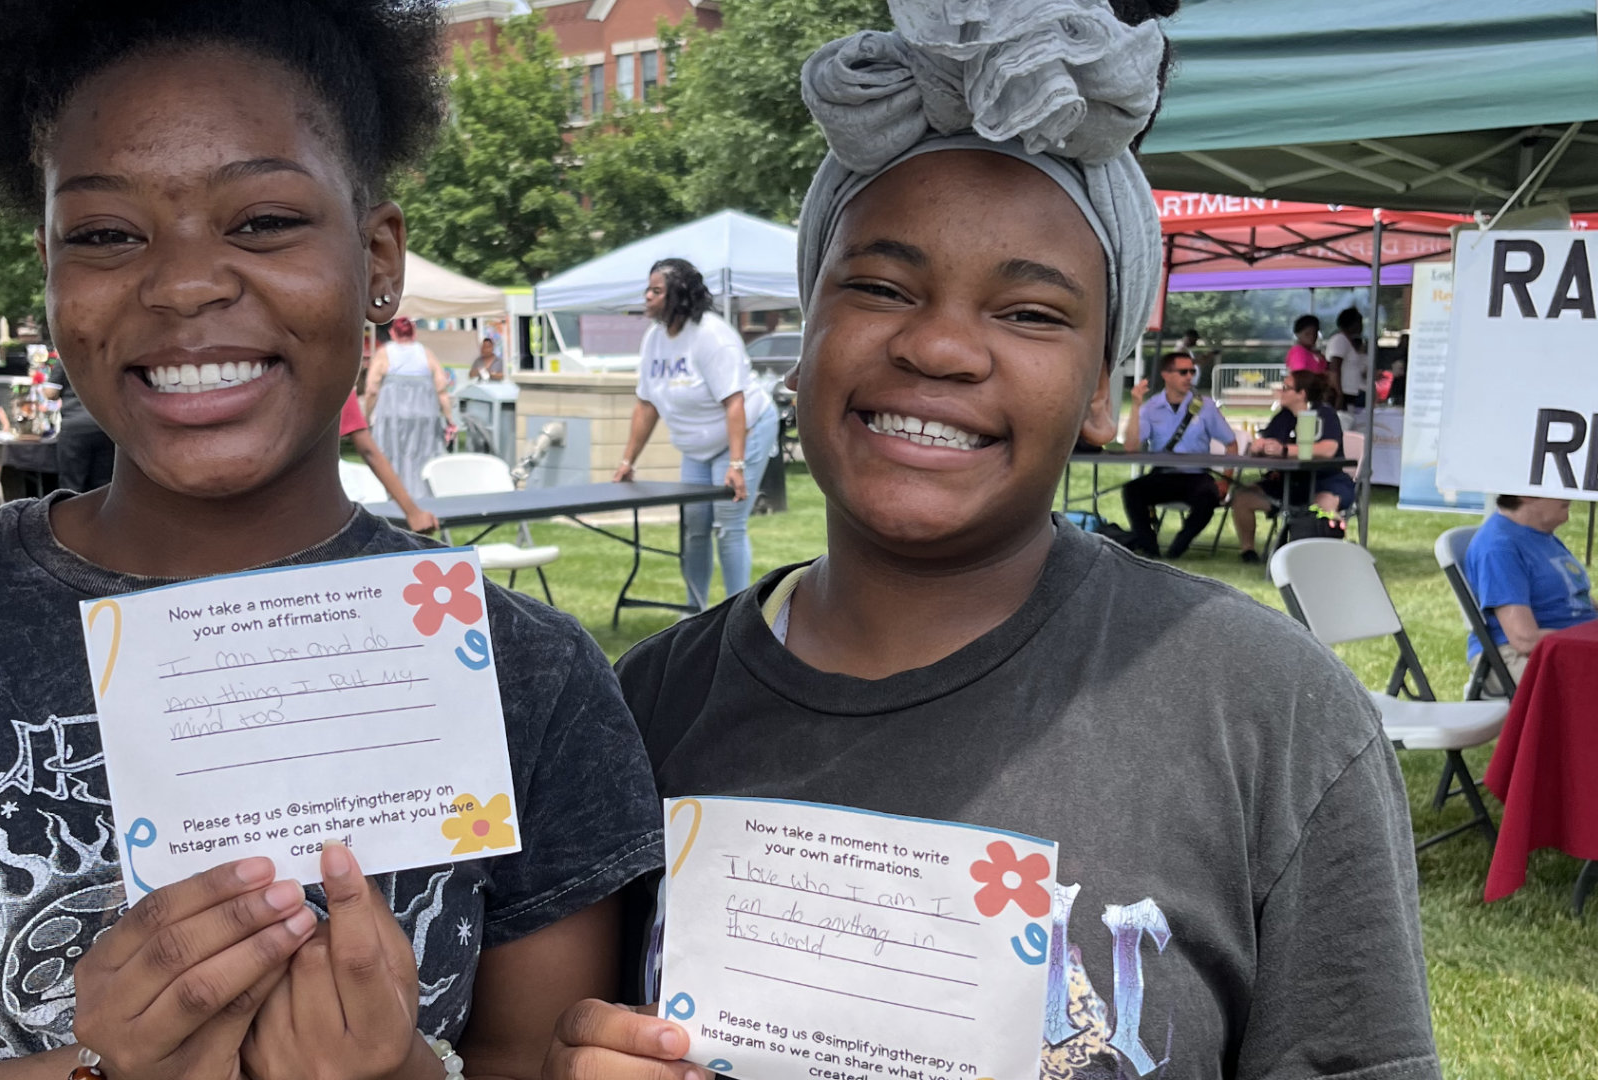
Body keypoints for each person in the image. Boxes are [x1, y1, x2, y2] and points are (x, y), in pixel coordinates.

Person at [0, 5, 666, 1080]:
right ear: (50, 269)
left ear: (378, 261)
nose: (186, 284)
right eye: (106, 234)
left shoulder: (528, 676)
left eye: (265, 221)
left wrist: (403, 1072)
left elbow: (544, 1057)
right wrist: (94, 1074)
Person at [546, 3, 1439, 1079]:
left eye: (1030, 312)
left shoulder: (1268, 721)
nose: (938, 344)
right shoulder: (642, 714)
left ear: (1108, 391)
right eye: (879, 287)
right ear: (803, 341)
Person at [611, 258, 777, 609]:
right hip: (697, 448)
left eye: (656, 291)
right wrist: (628, 460)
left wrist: (737, 464)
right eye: (648, 289)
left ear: (678, 296)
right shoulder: (654, 340)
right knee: (695, 527)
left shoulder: (712, 336)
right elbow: (646, 406)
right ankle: (696, 613)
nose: (647, 297)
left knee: (728, 526)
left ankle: (737, 617)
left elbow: (735, 402)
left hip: (744, 430)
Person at [1464, 495, 1595, 689]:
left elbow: (1574, 599)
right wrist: (1585, 639)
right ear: (1526, 494)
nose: (1571, 494)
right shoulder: (1498, 547)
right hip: (1520, 654)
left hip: (1568, 645)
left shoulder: (1540, 534)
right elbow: (1525, 639)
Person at [1119, 350, 1235, 558]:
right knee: (1132, 491)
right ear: (1166, 375)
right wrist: (1136, 406)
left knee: (1208, 497)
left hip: (1196, 476)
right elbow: (1130, 447)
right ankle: (1149, 549)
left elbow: (1231, 443)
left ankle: (1177, 549)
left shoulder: (1205, 406)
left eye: (1192, 371)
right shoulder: (1151, 407)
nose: (1189, 376)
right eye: (1183, 372)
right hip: (1163, 475)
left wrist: (1227, 479)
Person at [1229, 369, 1354, 562]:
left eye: (1286, 388)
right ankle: (1248, 551)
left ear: (1301, 394)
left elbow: (1328, 449)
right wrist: (1259, 446)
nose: (1280, 392)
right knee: (1243, 498)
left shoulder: (1324, 414)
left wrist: (1285, 450)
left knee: (1323, 504)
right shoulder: (1283, 417)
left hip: (1325, 480)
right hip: (1288, 482)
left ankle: (1327, 556)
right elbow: (1266, 441)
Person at [364, 316, 455, 496]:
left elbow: (372, 389)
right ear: (414, 333)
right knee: (422, 457)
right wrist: (450, 419)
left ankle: (393, 496)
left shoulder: (385, 353)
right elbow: (442, 389)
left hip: (392, 416)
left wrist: (366, 417)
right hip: (425, 417)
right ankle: (423, 496)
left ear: (392, 332)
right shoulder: (426, 353)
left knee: (390, 456)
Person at [340, 390, 439, 533]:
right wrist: (413, 513)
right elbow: (368, 451)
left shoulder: (333, 384)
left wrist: (413, 512)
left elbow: (369, 452)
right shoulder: (334, 383)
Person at [44, 352, 116, 492]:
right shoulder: (107, 358)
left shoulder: (66, 358)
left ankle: (74, 513)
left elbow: (50, 393)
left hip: (74, 426)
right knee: (104, 483)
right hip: (105, 426)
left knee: (72, 483)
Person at [1325, 306, 1366, 410]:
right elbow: (1335, 367)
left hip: (1352, 392)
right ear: (1352, 323)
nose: (1362, 327)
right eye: (1359, 322)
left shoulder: (1348, 341)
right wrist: (1339, 394)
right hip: (1344, 392)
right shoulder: (1340, 340)